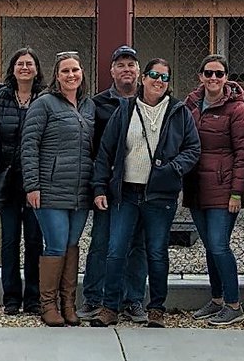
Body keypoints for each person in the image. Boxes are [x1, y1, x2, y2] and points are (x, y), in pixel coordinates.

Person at [92, 57, 201, 329]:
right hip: (126, 193)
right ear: (143, 78)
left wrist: (173, 169)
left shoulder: (179, 112)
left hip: (160, 196)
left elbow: (193, 149)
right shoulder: (125, 109)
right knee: (116, 250)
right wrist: (100, 187)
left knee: (156, 252)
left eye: (164, 77)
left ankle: (156, 309)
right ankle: (109, 306)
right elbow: (105, 151)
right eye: (154, 75)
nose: (158, 81)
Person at [21, 51, 96, 327]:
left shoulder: (88, 106)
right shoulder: (45, 104)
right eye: (65, 71)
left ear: (82, 73)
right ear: (56, 75)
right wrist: (33, 185)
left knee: (72, 245)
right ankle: (48, 304)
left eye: (75, 70)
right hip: (50, 189)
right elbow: (29, 146)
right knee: (55, 244)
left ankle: (68, 303)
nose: (71, 75)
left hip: (80, 191)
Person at [0, 47, 45, 315]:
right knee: (10, 240)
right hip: (6, 180)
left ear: (37, 69)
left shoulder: (46, 99)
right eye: (19, 63)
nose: (24, 68)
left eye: (29, 63)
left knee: (36, 240)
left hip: (37, 181)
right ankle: (11, 297)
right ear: (12, 69)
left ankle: (35, 297)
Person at [80, 45, 148, 323]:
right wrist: (98, 185)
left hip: (139, 187)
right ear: (112, 71)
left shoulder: (150, 104)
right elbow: (95, 148)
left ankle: (133, 300)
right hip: (108, 188)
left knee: (137, 245)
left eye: (131, 65)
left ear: (139, 71)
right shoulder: (97, 105)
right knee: (101, 242)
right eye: (120, 65)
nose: (126, 70)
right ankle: (93, 297)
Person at [185, 54, 244, 327]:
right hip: (196, 188)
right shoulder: (191, 105)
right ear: (200, 76)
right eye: (209, 73)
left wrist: (237, 192)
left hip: (224, 189)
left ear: (226, 77)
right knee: (210, 248)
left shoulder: (237, 110)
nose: (214, 78)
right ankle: (216, 300)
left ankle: (234, 304)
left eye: (219, 74)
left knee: (219, 245)